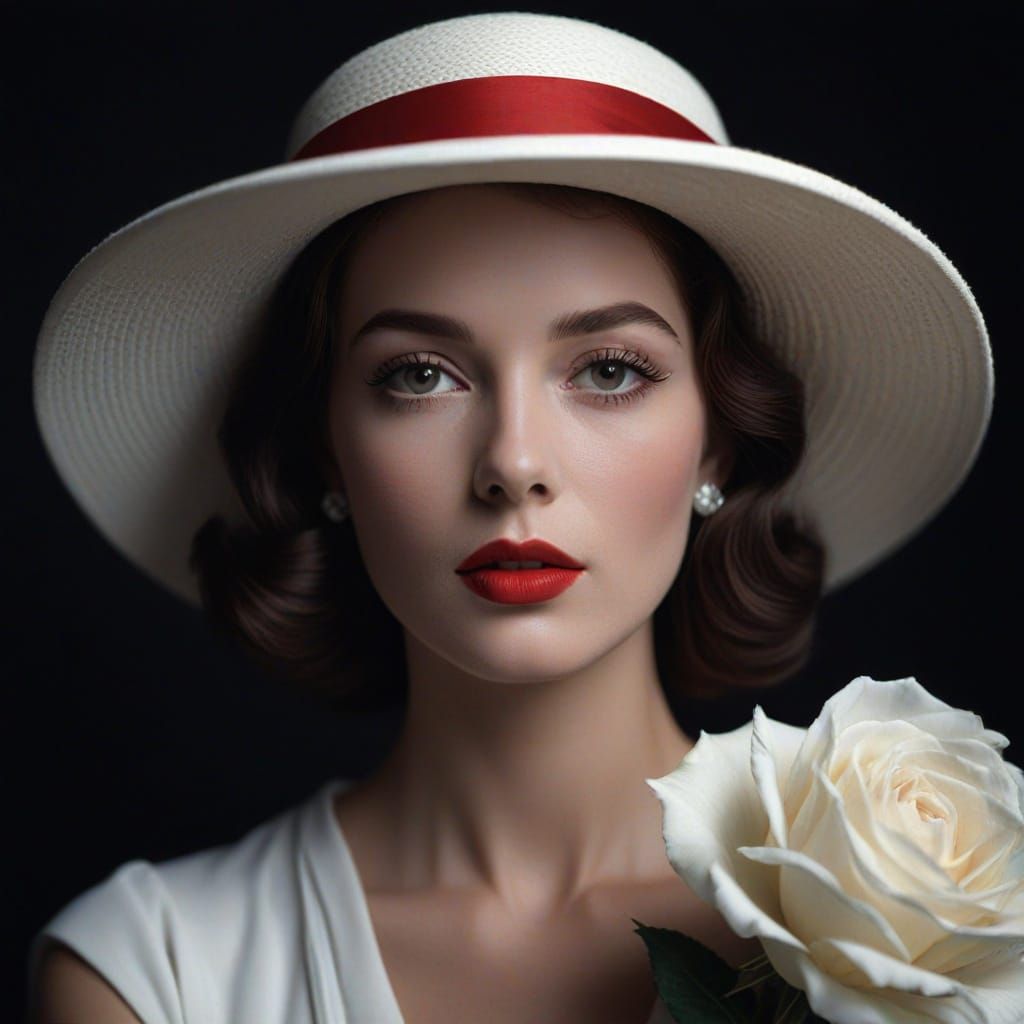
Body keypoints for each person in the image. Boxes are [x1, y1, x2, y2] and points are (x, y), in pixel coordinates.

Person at [25, 11, 992, 1024]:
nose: (513, 464)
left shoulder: (944, 921)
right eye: (419, 375)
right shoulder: (155, 971)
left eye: (609, 369)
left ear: (717, 441)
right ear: (325, 451)